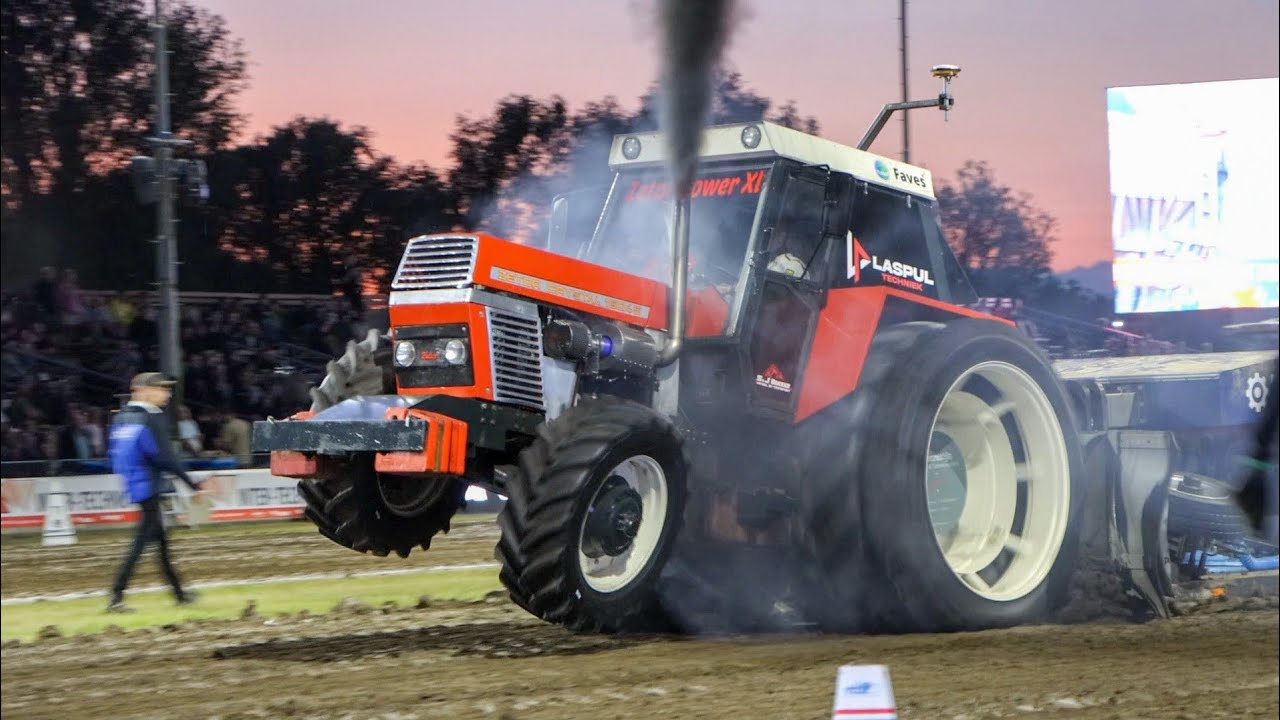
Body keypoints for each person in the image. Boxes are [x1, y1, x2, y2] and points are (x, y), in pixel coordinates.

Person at [107, 372, 203, 612]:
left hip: (135, 484)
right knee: (141, 544)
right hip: (149, 485)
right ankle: (116, 596)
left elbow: (118, 455)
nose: (167, 394)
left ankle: (179, 594)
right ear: (144, 390)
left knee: (160, 544)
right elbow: (166, 458)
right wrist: (192, 485)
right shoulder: (152, 418)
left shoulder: (122, 417)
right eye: (162, 389)